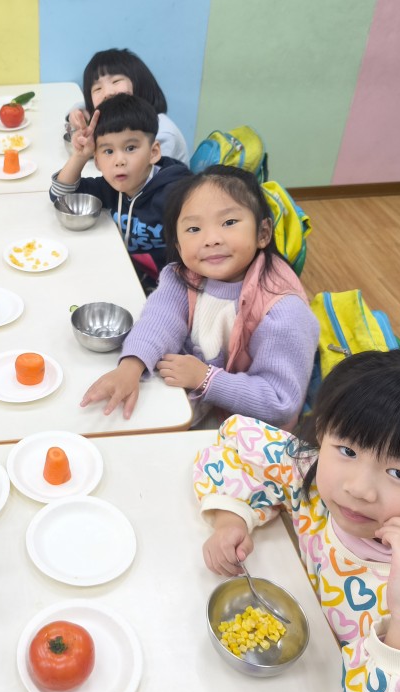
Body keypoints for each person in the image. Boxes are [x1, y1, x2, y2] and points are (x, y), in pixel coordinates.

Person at [196, 350, 400, 692]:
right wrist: (231, 518)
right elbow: (235, 442)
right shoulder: (314, 475)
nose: (358, 488)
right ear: (322, 431)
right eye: (347, 450)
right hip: (319, 662)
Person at [82, 165, 317, 427]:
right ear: (178, 244)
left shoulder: (283, 311)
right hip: (192, 399)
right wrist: (131, 365)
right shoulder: (185, 275)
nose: (211, 239)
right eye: (194, 229)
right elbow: (160, 319)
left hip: (244, 431)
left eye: (229, 223)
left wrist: (206, 378)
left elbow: (280, 402)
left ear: (262, 233)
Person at [50, 94, 191, 291]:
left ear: (154, 152)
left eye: (130, 148)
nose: (119, 161)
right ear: (97, 161)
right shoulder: (112, 187)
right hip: (127, 276)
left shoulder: (177, 194)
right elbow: (62, 197)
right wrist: (80, 156)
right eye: (108, 151)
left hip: (170, 289)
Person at [67, 48, 189, 164]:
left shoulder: (162, 133)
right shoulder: (124, 121)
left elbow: (146, 177)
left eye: (116, 81)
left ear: (139, 83)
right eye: (97, 89)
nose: (107, 93)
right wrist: (78, 113)